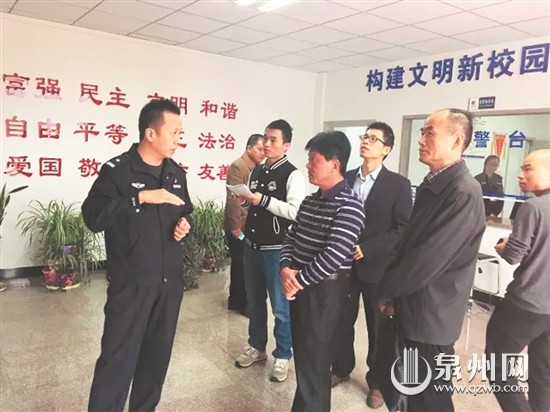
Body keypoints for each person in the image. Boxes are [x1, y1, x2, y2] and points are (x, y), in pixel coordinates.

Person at [82, 99, 193, 412]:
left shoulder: (175, 173)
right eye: (174, 132)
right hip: (131, 285)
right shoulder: (117, 171)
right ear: (151, 133)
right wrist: (140, 197)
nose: (178, 139)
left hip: (168, 284)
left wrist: (186, 224)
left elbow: (186, 210)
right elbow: (93, 217)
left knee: (156, 361)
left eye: (180, 133)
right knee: (117, 362)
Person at [377, 108, 485, 412]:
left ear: (457, 140)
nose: (421, 139)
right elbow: (408, 242)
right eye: (422, 132)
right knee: (410, 390)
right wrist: (393, 295)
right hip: (415, 307)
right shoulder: (434, 183)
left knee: (430, 399)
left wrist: (386, 290)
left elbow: (426, 260)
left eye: (429, 133)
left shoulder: (463, 192)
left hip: (432, 316)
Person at [280, 131, 365, 412]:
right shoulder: (310, 201)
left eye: (313, 160)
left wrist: (297, 280)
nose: (307, 165)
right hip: (301, 286)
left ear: (334, 164)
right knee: (305, 359)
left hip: (325, 293)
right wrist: (285, 268)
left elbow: (333, 256)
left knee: (316, 362)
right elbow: (291, 237)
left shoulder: (350, 205)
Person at [331, 122, 412, 409]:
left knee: (378, 328)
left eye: (374, 139)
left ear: (386, 149)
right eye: (365, 136)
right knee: (342, 319)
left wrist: (367, 248)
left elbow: (402, 228)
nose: (366, 141)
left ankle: (377, 382)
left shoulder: (398, 184)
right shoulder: (347, 177)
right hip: (344, 264)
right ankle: (341, 367)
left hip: (378, 267)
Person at [234, 119, 306, 383]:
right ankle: (257, 346)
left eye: (273, 139)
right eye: (265, 138)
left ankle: (283, 355)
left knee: (281, 308)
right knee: (254, 302)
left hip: (277, 251)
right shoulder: (257, 170)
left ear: (286, 145)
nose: (266, 143)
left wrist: (262, 200)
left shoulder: (293, 174)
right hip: (252, 246)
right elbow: (255, 204)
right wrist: (245, 201)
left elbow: (296, 212)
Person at [486, 149, 550, 412]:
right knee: (543, 373)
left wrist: (504, 245)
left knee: (497, 367)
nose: (520, 175)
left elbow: (514, 255)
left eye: (528, 168)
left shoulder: (534, 207)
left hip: (526, 304)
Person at [224, 134, 265, 315]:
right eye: (259, 149)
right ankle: (242, 303)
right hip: (238, 224)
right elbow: (233, 199)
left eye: (264, 150)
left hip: (249, 223)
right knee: (242, 264)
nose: (262, 153)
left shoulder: (257, 168)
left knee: (241, 264)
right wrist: (235, 226)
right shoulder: (238, 166)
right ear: (249, 148)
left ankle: (235, 301)